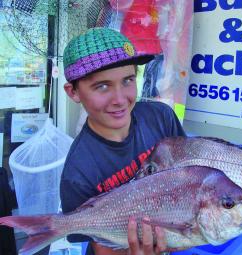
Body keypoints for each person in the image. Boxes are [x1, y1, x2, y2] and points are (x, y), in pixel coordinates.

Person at [60, 27, 186, 255]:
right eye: (102, 86)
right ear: (73, 92)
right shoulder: (78, 174)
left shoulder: (161, 118)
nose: (120, 99)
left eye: (128, 80)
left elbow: (188, 177)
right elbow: (102, 248)